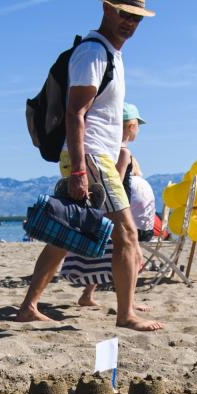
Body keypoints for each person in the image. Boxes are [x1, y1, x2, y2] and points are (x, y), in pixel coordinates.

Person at [16, 0, 160, 330]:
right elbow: (74, 113)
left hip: (93, 157)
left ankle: (28, 305)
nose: (130, 22)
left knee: (66, 233)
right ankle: (125, 314)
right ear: (107, 9)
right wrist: (80, 170)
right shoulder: (94, 53)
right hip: (91, 157)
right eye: (124, 14)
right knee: (126, 232)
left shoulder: (111, 54)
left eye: (136, 17)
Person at [65, 103, 156, 307]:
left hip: (108, 210)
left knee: (107, 254)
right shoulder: (123, 153)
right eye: (138, 126)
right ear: (131, 127)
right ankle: (129, 303)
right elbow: (117, 185)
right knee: (133, 255)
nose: (139, 130)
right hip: (117, 209)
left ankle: (87, 295)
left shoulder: (110, 151)